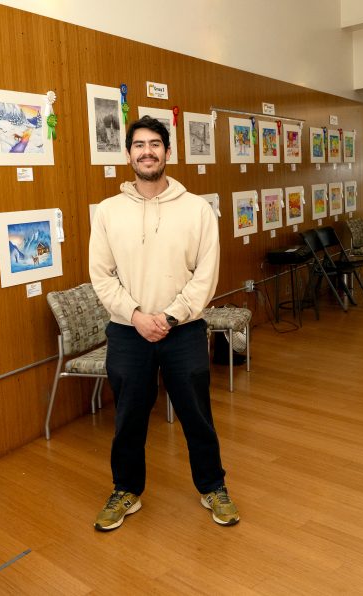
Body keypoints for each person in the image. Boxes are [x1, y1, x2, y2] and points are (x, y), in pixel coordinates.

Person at [88, 116, 239, 531]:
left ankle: (213, 487)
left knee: (197, 415)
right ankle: (126, 490)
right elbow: (101, 275)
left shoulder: (197, 210)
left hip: (183, 330)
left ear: (168, 153)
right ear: (129, 154)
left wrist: (169, 317)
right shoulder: (108, 212)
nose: (148, 152)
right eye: (139, 145)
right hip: (127, 332)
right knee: (129, 418)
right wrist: (137, 317)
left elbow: (206, 275)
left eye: (156, 144)